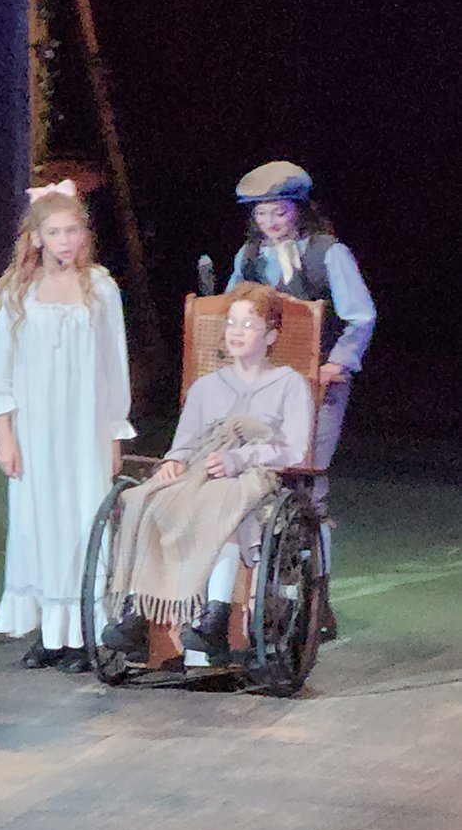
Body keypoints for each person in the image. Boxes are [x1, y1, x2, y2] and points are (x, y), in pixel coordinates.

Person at [103, 283, 313, 664]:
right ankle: (137, 611)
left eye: (248, 324)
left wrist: (240, 459)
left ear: (270, 336)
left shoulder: (289, 384)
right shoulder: (206, 387)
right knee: (146, 499)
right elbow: (183, 445)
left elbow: (295, 450)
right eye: (231, 323)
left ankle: (215, 616)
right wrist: (173, 462)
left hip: (256, 476)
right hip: (199, 473)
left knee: (220, 503)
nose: (236, 331)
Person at [0, 179, 135, 674]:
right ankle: (51, 632)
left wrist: (114, 433)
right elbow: (1, 368)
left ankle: (83, 634)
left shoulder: (100, 289)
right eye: (54, 232)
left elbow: (114, 366)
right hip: (35, 427)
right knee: (38, 522)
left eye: (72, 231)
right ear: (36, 237)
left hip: (83, 427)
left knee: (82, 520)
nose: (65, 241)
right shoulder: (18, 291)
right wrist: (5, 434)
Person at [226, 161, 376, 638]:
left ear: (298, 209)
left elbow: (360, 316)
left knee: (308, 484)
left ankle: (316, 600)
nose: (270, 222)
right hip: (265, 386)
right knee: (262, 481)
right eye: (261, 214)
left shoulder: (327, 253)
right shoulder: (250, 257)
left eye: (279, 211)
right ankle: (264, 595)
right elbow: (230, 313)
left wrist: (337, 363)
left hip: (318, 385)